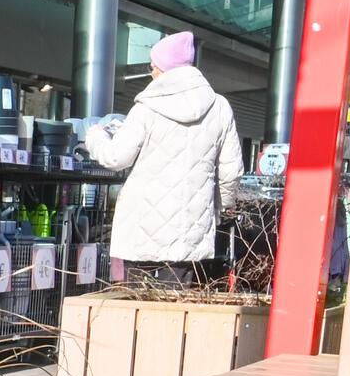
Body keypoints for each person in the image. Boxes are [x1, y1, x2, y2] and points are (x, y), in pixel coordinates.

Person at [83, 31, 241, 279]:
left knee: (138, 309)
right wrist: (219, 209)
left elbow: (116, 158)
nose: (151, 72)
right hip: (190, 235)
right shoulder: (219, 107)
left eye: (153, 66)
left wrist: (94, 137)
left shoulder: (146, 108)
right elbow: (231, 171)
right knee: (177, 309)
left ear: (165, 68)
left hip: (142, 230)